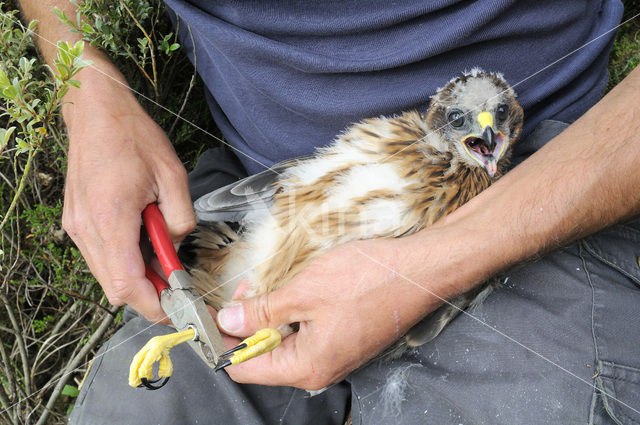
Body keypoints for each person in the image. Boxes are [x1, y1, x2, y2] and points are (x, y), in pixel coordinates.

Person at [20, 1, 640, 424]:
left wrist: (437, 261)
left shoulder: (487, 146)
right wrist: (89, 93)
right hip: (257, 191)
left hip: (553, 193)